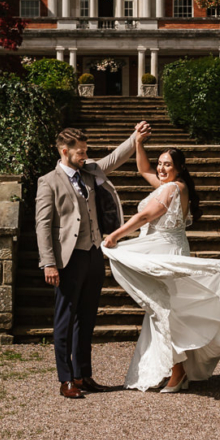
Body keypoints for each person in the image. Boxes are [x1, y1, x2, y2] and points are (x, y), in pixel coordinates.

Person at [101, 141, 220, 392]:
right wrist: (138, 143)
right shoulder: (174, 186)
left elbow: (145, 216)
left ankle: (179, 371)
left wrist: (115, 235)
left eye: (167, 164)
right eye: (160, 163)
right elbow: (144, 170)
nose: (160, 168)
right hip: (168, 248)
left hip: (166, 252)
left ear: (179, 168)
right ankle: (177, 369)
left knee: (168, 310)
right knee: (165, 309)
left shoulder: (171, 188)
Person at [36, 122, 151, 399]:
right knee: (65, 319)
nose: (85, 156)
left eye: (86, 151)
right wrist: (48, 263)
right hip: (68, 259)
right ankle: (65, 380)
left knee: (87, 319)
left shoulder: (89, 172)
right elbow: (43, 225)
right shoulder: (48, 181)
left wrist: (134, 137)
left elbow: (114, 158)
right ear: (65, 151)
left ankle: (82, 374)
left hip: (93, 254)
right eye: (80, 152)